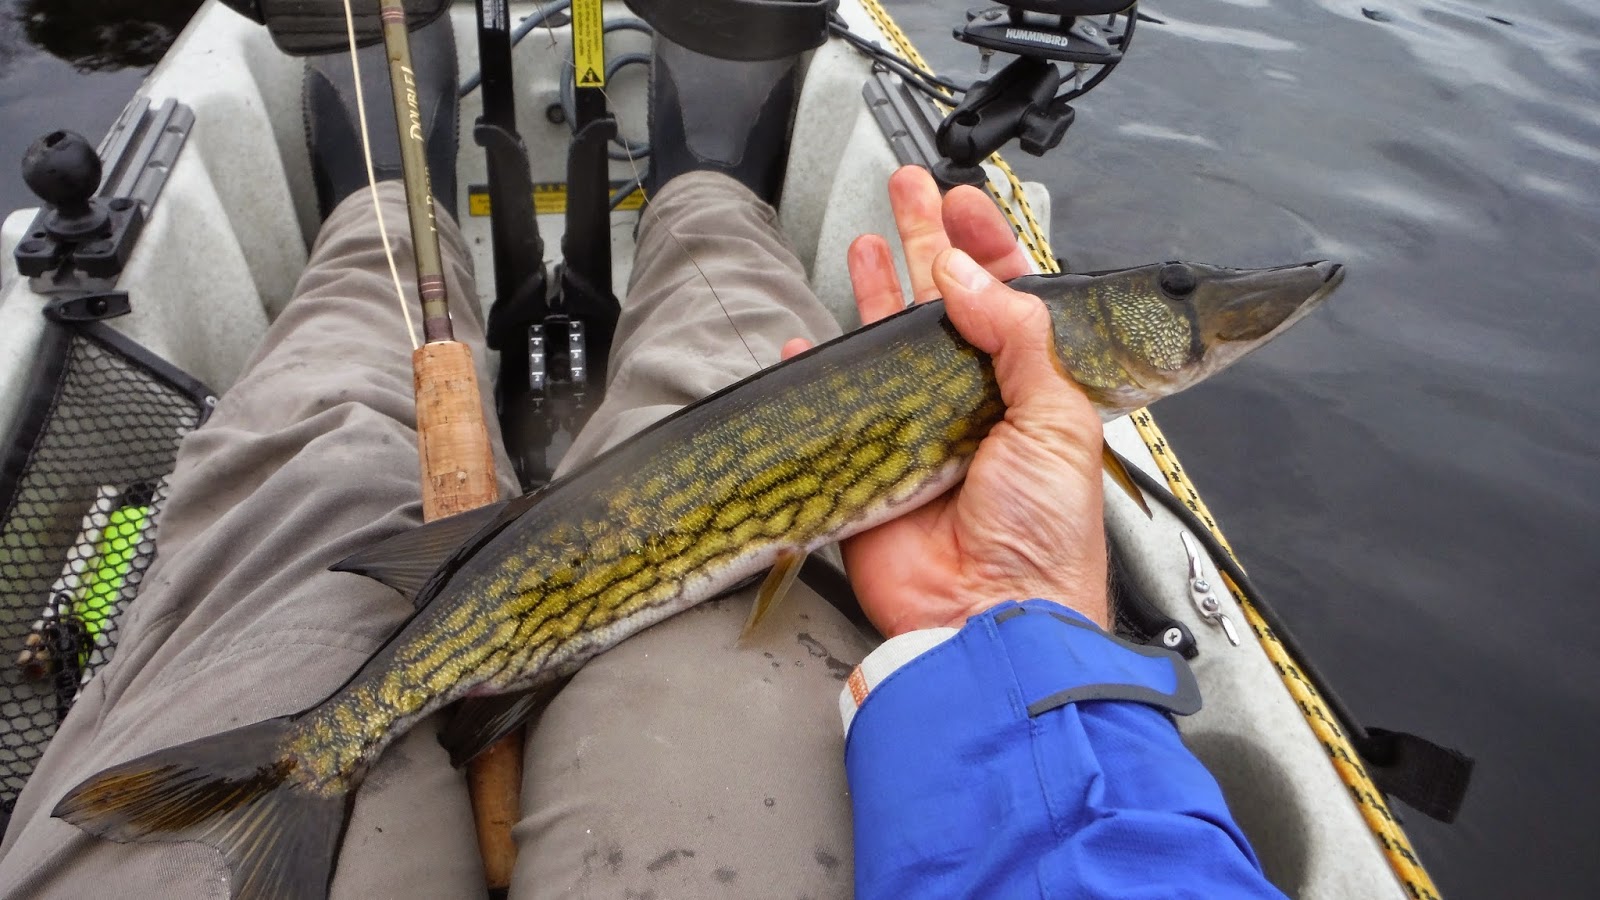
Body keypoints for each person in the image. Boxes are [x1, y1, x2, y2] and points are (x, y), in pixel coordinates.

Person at [0, 17, 1282, 900]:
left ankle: (385, 209)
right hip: (862, 747)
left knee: (319, 436)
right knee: (724, 320)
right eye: (1174, 286)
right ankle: (705, 190)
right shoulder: (1055, 358)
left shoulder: (1044, 357)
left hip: (499, 612)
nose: (1191, 299)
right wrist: (1022, 614)